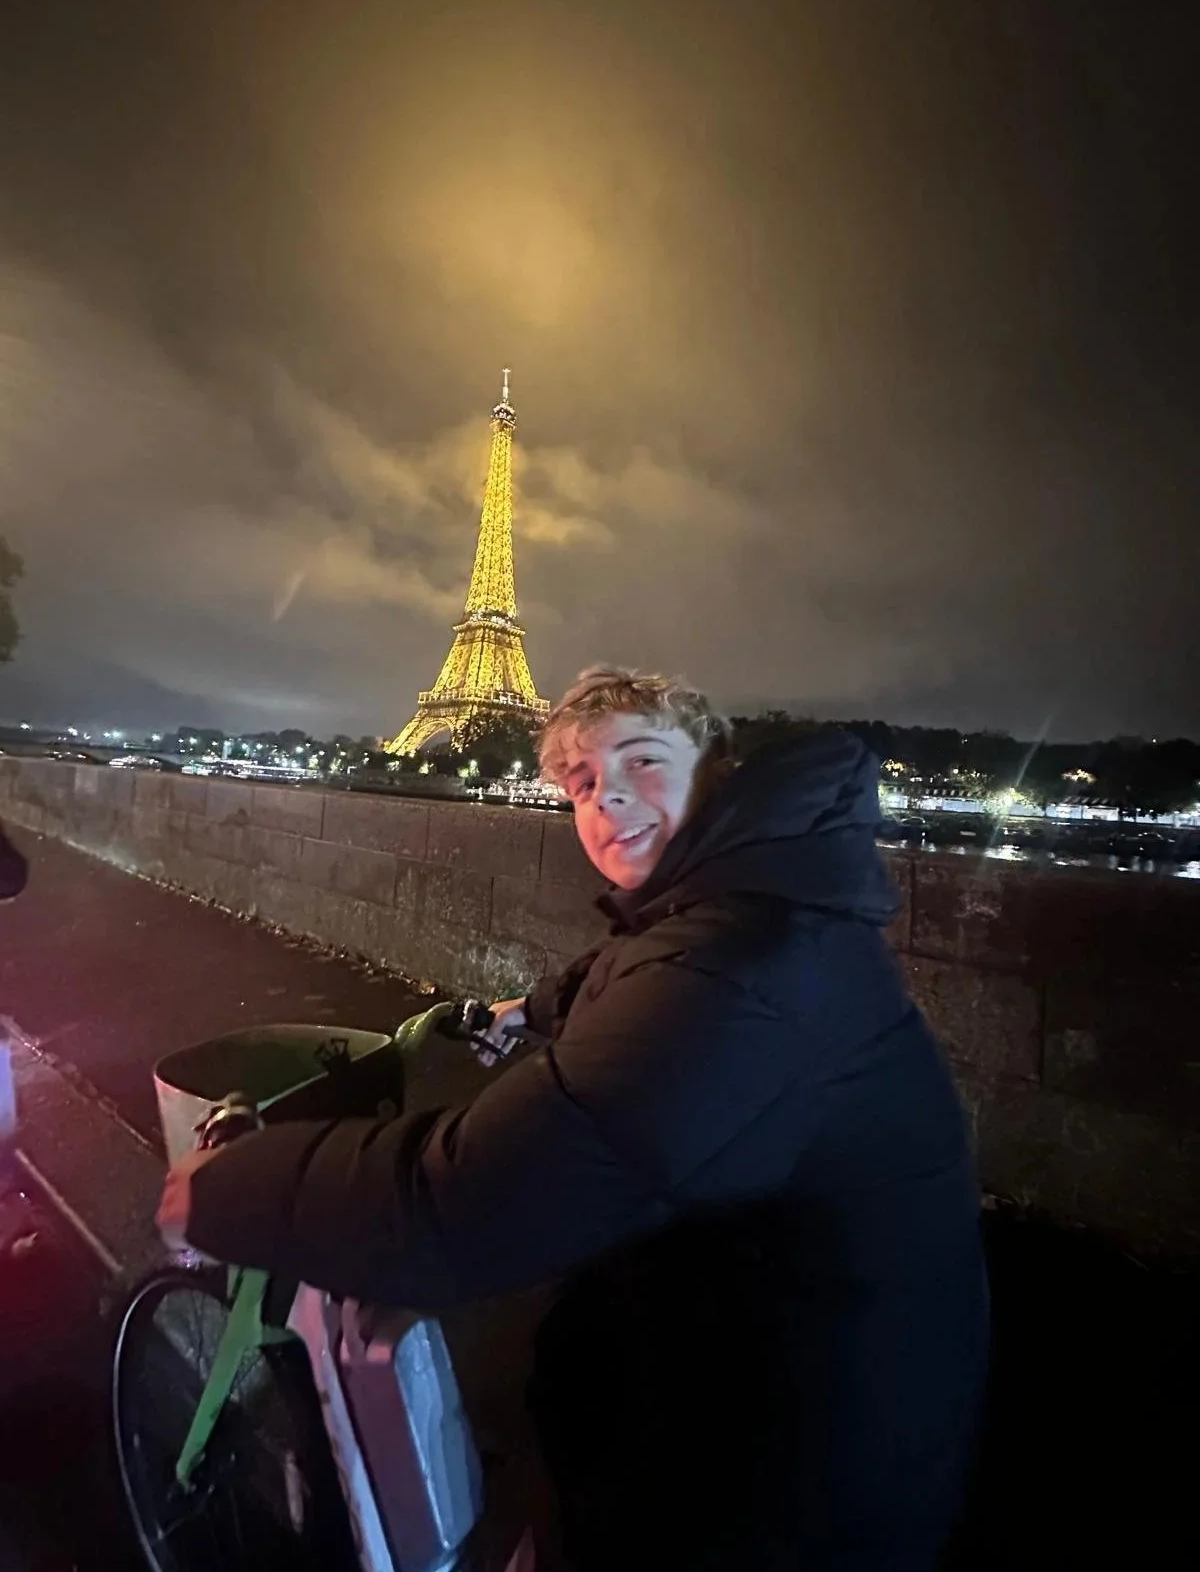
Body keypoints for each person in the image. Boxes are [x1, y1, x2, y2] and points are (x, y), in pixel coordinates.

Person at [158, 666, 989, 1570]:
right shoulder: (765, 906)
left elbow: (468, 1204)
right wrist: (535, 1007)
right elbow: (643, 965)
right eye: (583, 784)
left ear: (715, 767)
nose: (608, 797)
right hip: (784, 1399)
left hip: (772, 1491)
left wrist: (231, 1188)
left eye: (642, 760)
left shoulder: (740, 974)